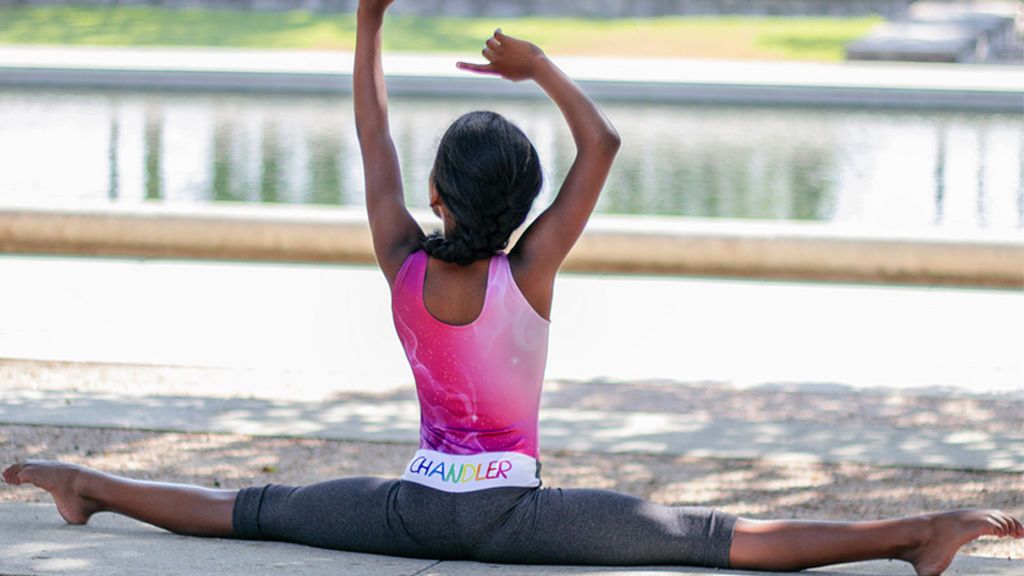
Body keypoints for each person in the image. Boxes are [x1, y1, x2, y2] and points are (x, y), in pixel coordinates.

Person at [4, 1, 1021, 573]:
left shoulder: (402, 259)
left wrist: (368, 22)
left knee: (256, 506)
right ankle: (915, 533)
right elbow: (605, 142)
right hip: (517, 519)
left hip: (408, 510)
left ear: (438, 192)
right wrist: (540, 71)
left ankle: (86, 485)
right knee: (712, 538)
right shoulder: (530, 272)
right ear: (525, 201)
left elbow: (368, 137)